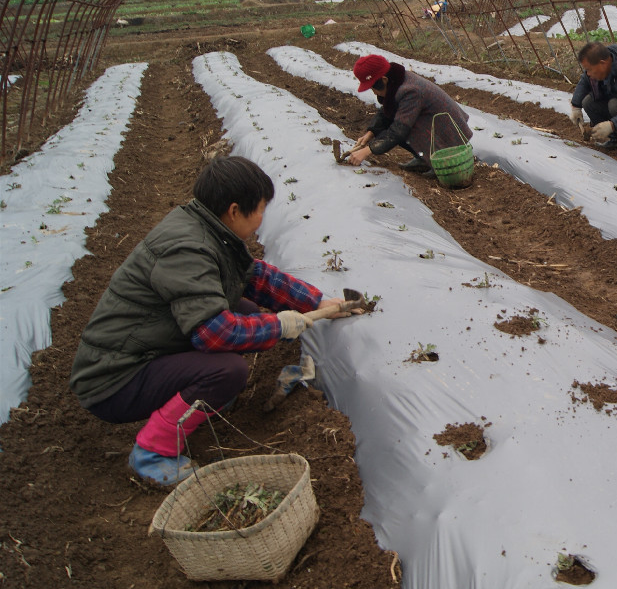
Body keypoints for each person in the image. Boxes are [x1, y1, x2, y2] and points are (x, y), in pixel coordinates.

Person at [70, 157, 352, 487]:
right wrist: (279, 326)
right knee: (228, 370)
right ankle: (152, 452)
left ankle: (201, 399)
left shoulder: (205, 227)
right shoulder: (187, 249)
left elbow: (253, 277)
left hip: (142, 349)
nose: (262, 219)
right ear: (234, 211)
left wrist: (317, 302)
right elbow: (214, 335)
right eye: (260, 209)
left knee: (244, 310)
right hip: (112, 380)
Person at [346, 54, 472, 174]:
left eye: (373, 88)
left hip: (450, 134)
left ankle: (440, 161)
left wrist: (367, 151)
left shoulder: (410, 91)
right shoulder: (396, 81)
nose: (374, 93)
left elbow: (398, 131)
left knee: (401, 128)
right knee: (395, 122)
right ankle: (423, 158)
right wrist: (370, 133)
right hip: (438, 127)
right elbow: (387, 112)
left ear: (384, 80)